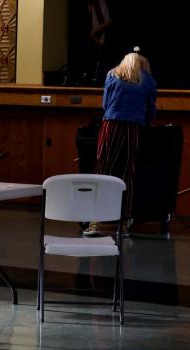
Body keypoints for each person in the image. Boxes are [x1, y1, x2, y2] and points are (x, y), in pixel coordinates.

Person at [84, 47, 157, 235]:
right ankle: (124, 222)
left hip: (111, 125)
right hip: (134, 127)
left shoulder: (112, 74)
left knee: (103, 170)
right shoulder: (148, 79)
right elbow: (150, 110)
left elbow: (105, 104)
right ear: (142, 64)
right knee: (127, 173)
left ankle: (95, 221)